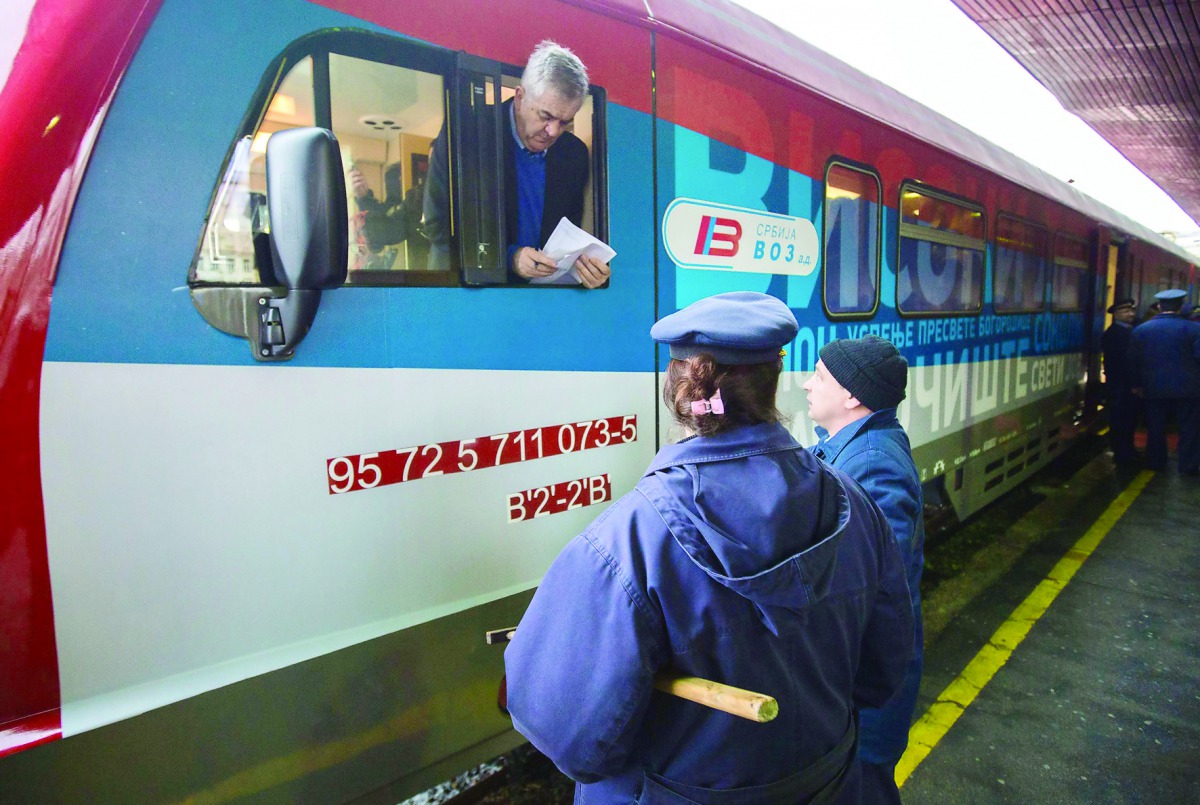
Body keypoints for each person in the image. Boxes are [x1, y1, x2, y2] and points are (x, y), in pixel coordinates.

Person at [505, 292, 914, 803]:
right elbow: (881, 676)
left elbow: (573, 742)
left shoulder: (627, 540)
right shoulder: (856, 506)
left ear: (679, 388)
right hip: (826, 787)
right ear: (773, 384)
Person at [802, 335, 924, 804]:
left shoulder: (872, 465)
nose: (808, 385)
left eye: (820, 377)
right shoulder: (850, 445)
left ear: (852, 396)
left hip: (863, 695)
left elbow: (868, 586)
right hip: (857, 688)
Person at [423, 40, 610, 287]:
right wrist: (510, 257)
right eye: (546, 116)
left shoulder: (573, 153)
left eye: (565, 122)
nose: (553, 131)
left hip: (542, 300)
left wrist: (586, 269)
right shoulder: (466, 130)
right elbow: (438, 225)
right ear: (520, 97)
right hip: (467, 295)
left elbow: (568, 235)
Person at [1127, 289, 1200, 475]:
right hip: (1188, 388)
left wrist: (1136, 385)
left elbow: (1133, 361)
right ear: (1181, 306)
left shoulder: (1141, 330)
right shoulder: (1194, 329)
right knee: (1189, 428)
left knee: (1156, 426)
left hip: (1153, 388)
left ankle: (1156, 462)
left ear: (1159, 306)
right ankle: (1188, 465)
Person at [348, 162, 419, 270]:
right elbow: (389, 219)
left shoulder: (374, 229)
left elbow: (389, 208)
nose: (358, 214)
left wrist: (364, 198)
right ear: (360, 241)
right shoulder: (377, 231)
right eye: (357, 219)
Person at [1101, 298, 1141, 466]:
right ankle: (1122, 453)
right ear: (1116, 314)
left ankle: (1128, 449)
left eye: (1131, 311)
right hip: (1120, 385)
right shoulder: (1113, 334)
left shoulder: (1131, 331)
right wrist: (1133, 384)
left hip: (1126, 385)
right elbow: (1123, 362)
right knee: (1120, 420)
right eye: (1125, 311)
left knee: (1130, 419)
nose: (1130, 314)